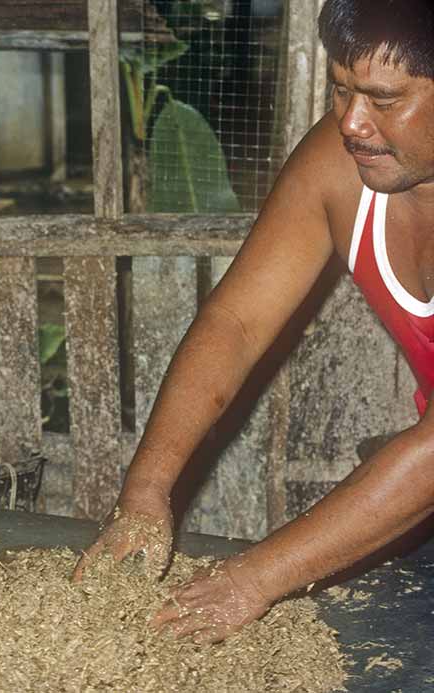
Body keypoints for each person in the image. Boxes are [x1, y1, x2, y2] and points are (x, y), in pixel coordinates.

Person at [73, 0, 434, 644]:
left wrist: (253, 580)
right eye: (340, 88)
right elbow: (237, 322)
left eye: (384, 99)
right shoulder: (337, 166)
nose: (351, 122)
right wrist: (147, 489)